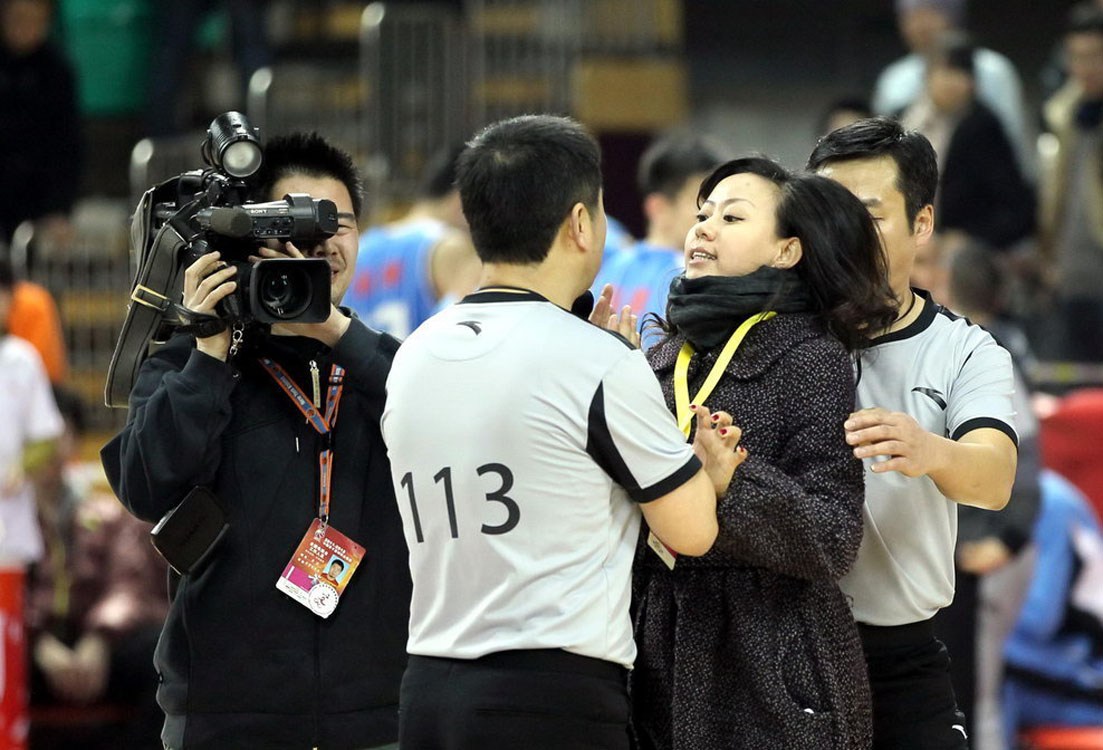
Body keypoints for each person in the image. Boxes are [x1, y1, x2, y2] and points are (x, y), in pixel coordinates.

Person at [382, 114, 736, 750]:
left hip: (427, 690)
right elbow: (693, 530)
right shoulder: (597, 360)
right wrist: (703, 468)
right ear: (580, 223)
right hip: (550, 697)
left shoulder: (412, 353)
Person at [100, 132, 410, 750]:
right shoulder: (193, 361)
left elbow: (440, 415)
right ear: (253, 234)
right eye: (295, 219)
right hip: (228, 715)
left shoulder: (395, 367)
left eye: (339, 223)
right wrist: (210, 352)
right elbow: (144, 485)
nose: (321, 240)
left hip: (376, 713)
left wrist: (333, 331)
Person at [631, 157, 898, 749]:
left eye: (731, 216)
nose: (703, 228)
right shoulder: (656, 360)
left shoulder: (810, 358)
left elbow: (834, 535)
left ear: (786, 252)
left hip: (773, 657)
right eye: (702, 214)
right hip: (656, 643)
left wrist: (734, 484)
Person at [809, 117, 1019, 749]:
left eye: (867, 216)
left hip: (900, 659)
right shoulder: (774, 331)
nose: (842, 236)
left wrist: (930, 450)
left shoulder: (964, 351)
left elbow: (995, 476)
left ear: (921, 223)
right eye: (829, 213)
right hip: (787, 649)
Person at [930, 242, 1041, 750]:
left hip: (987, 551)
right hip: (954, 552)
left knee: (979, 701)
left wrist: (1008, 539)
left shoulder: (982, 352)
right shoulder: (939, 345)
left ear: (946, 285)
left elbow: (1027, 461)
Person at [27, 387, 167, 750]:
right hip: (28, 648)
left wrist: (98, 640)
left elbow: (130, 585)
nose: (41, 446)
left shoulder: (105, 514)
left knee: (166, 654)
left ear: (71, 439)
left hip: (100, 650)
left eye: (53, 433)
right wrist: (40, 645)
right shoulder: (6, 522)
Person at [900, 32, 1035, 252]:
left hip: (960, 252)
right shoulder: (903, 119)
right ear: (926, 75)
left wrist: (969, 239)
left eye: (960, 72)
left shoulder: (983, 126)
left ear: (972, 81)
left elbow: (1017, 209)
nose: (950, 81)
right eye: (943, 70)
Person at [591, 132, 728, 348]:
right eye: (701, 202)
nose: (711, 215)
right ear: (659, 208)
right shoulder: (692, 274)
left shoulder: (607, 260)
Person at [872, 0, 1032, 177]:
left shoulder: (994, 70)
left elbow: (1016, 144)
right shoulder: (894, 79)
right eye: (911, 16)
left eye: (930, 13)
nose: (921, 25)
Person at [1001, 470, 1103, 744]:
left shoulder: (1048, 501)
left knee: (987, 662)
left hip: (1082, 668)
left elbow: (1037, 621)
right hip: (1042, 663)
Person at [345, 145, 480, 337]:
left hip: (363, 365)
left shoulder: (360, 247)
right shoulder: (449, 246)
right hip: (421, 363)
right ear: (461, 198)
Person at [1038, 2, 1103, 362]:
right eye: (1077, 57)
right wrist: (1048, 257)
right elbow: (1054, 197)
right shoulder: (1064, 114)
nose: (1085, 68)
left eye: (1095, 56)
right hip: (1069, 279)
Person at [0, 0, 81, 248]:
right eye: (18, 19)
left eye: (34, 21)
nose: (25, 28)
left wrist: (58, 209)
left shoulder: (56, 72)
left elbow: (67, 147)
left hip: (37, 203)